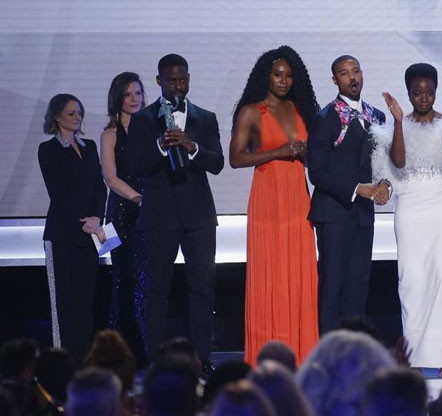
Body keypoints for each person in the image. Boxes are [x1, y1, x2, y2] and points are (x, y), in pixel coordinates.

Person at [370, 63, 442, 367]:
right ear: (409, 93)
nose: (424, 97)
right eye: (417, 92)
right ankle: (413, 356)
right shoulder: (396, 127)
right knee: (411, 280)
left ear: (436, 91)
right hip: (410, 204)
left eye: (429, 92)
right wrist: (399, 121)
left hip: (441, 203)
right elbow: (398, 164)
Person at [127, 54, 224, 370]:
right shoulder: (143, 120)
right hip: (159, 216)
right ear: (159, 81)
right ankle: (155, 356)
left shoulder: (205, 118)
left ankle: (201, 358)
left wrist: (191, 146)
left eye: (183, 79)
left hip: (198, 217)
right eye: (171, 80)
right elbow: (134, 166)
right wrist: (160, 146)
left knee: (202, 289)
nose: (178, 85)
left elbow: (217, 163)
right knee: (156, 289)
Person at [230, 46, 321, 364]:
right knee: (271, 277)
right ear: (265, 76)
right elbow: (236, 158)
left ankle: (300, 353)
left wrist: (305, 154)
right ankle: (266, 355)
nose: (283, 81)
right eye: (277, 74)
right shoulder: (252, 112)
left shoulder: (300, 109)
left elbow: (313, 157)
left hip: (297, 196)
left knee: (297, 274)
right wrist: (277, 152)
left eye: (289, 75)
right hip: (268, 198)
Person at [307, 55, 390, 333]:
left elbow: (382, 161)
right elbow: (316, 172)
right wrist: (357, 189)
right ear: (335, 80)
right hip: (333, 213)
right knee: (333, 285)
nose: (352, 78)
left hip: (363, 215)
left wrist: (384, 186)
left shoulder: (376, 116)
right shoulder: (325, 117)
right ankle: (330, 351)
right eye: (344, 73)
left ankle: (355, 349)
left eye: (355, 71)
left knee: (359, 283)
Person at [37, 93, 107, 361]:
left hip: (89, 235)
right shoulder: (49, 149)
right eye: (71, 113)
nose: (77, 117)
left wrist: (96, 218)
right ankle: (64, 361)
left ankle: (83, 359)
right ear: (57, 117)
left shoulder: (89, 146)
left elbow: (99, 186)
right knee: (65, 304)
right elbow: (59, 193)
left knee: (85, 303)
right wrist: (84, 222)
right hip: (63, 235)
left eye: (79, 112)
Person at [99, 71, 149, 364]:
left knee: (146, 280)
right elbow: (109, 177)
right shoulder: (110, 134)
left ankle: (145, 348)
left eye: (138, 93)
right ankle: (120, 352)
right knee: (124, 279)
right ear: (118, 97)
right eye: (128, 94)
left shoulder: (152, 130)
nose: (134, 99)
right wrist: (138, 198)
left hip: (150, 212)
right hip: (120, 212)